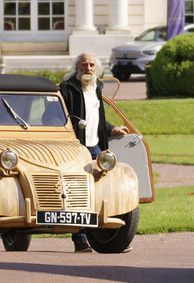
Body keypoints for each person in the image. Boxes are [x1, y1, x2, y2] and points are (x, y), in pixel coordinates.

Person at [59, 53, 129, 253]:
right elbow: (55, 116)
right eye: (84, 65)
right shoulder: (67, 89)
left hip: (95, 146)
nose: (88, 68)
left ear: (96, 68)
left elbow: (96, 118)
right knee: (78, 192)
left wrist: (111, 128)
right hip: (75, 148)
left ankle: (114, 238)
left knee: (103, 189)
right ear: (77, 67)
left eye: (91, 65)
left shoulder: (97, 87)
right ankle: (79, 239)